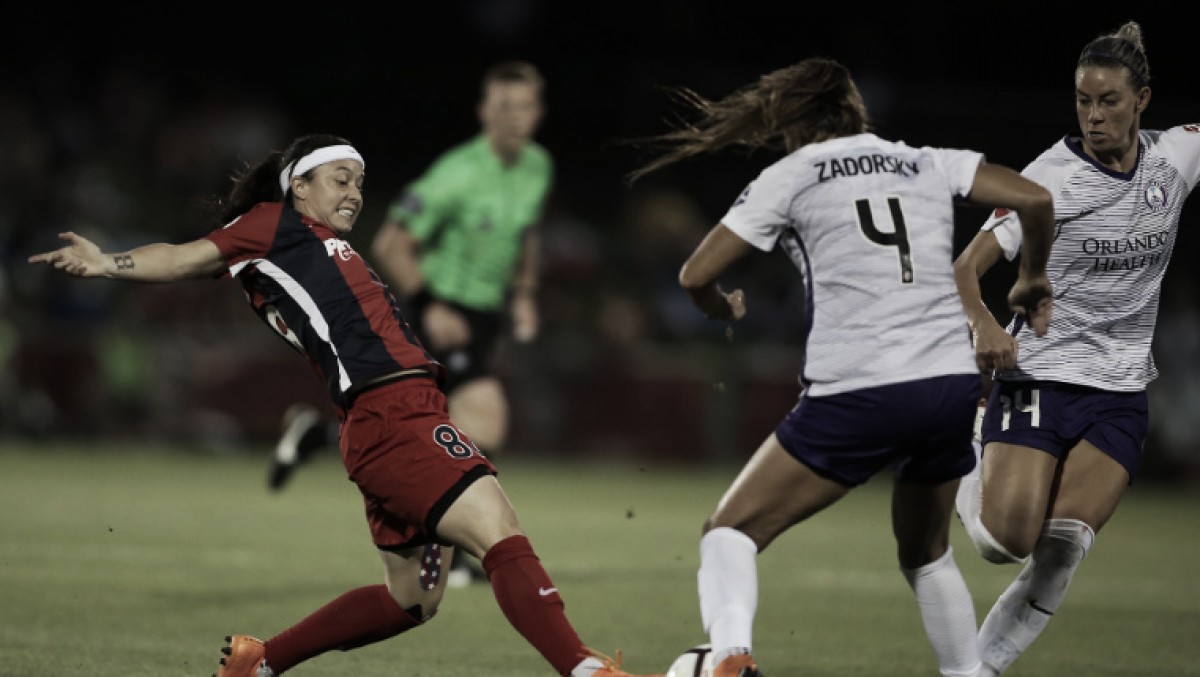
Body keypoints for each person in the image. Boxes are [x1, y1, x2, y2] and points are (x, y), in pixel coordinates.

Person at [28, 134, 658, 677]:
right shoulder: (277, 225)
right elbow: (186, 257)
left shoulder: (315, 242)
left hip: (384, 421)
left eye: (359, 180)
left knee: (412, 599)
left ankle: (261, 661)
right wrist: (108, 264)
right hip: (394, 414)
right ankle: (583, 667)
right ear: (298, 187)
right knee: (499, 530)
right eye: (340, 178)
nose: (354, 190)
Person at [628, 57, 1055, 677]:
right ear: (855, 111)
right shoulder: (925, 159)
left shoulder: (792, 174)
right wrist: (1031, 276)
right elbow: (1036, 197)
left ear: (794, 122)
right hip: (947, 387)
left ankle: (728, 658)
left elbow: (695, 274)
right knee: (927, 554)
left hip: (860, 389)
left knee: (729, 531)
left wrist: (721, 308)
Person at [952, 20, 1200, 676]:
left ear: (1142, 100)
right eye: (1083, 101)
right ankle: (973, 434)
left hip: (1118, 392)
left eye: (1109, 101)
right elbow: (967, 267)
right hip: (1039, 377)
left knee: (1061, 548)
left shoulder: (1177, 155)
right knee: (1002, 543)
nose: (1093, 116)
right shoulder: (1048, 180)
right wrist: (984, 325)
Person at [268, 62, 552, 588]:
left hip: (485, 318)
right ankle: (462, 550)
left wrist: (526, 294)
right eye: (505, 106)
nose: (517, 117)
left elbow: (529, 229)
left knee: (446, 430)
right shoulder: (456, 174)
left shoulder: (537, 166)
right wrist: (431, 304)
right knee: (483, 424)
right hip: (441, 308)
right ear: (485, 112)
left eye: (527, 105)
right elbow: (391, 243)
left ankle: (319, 439)